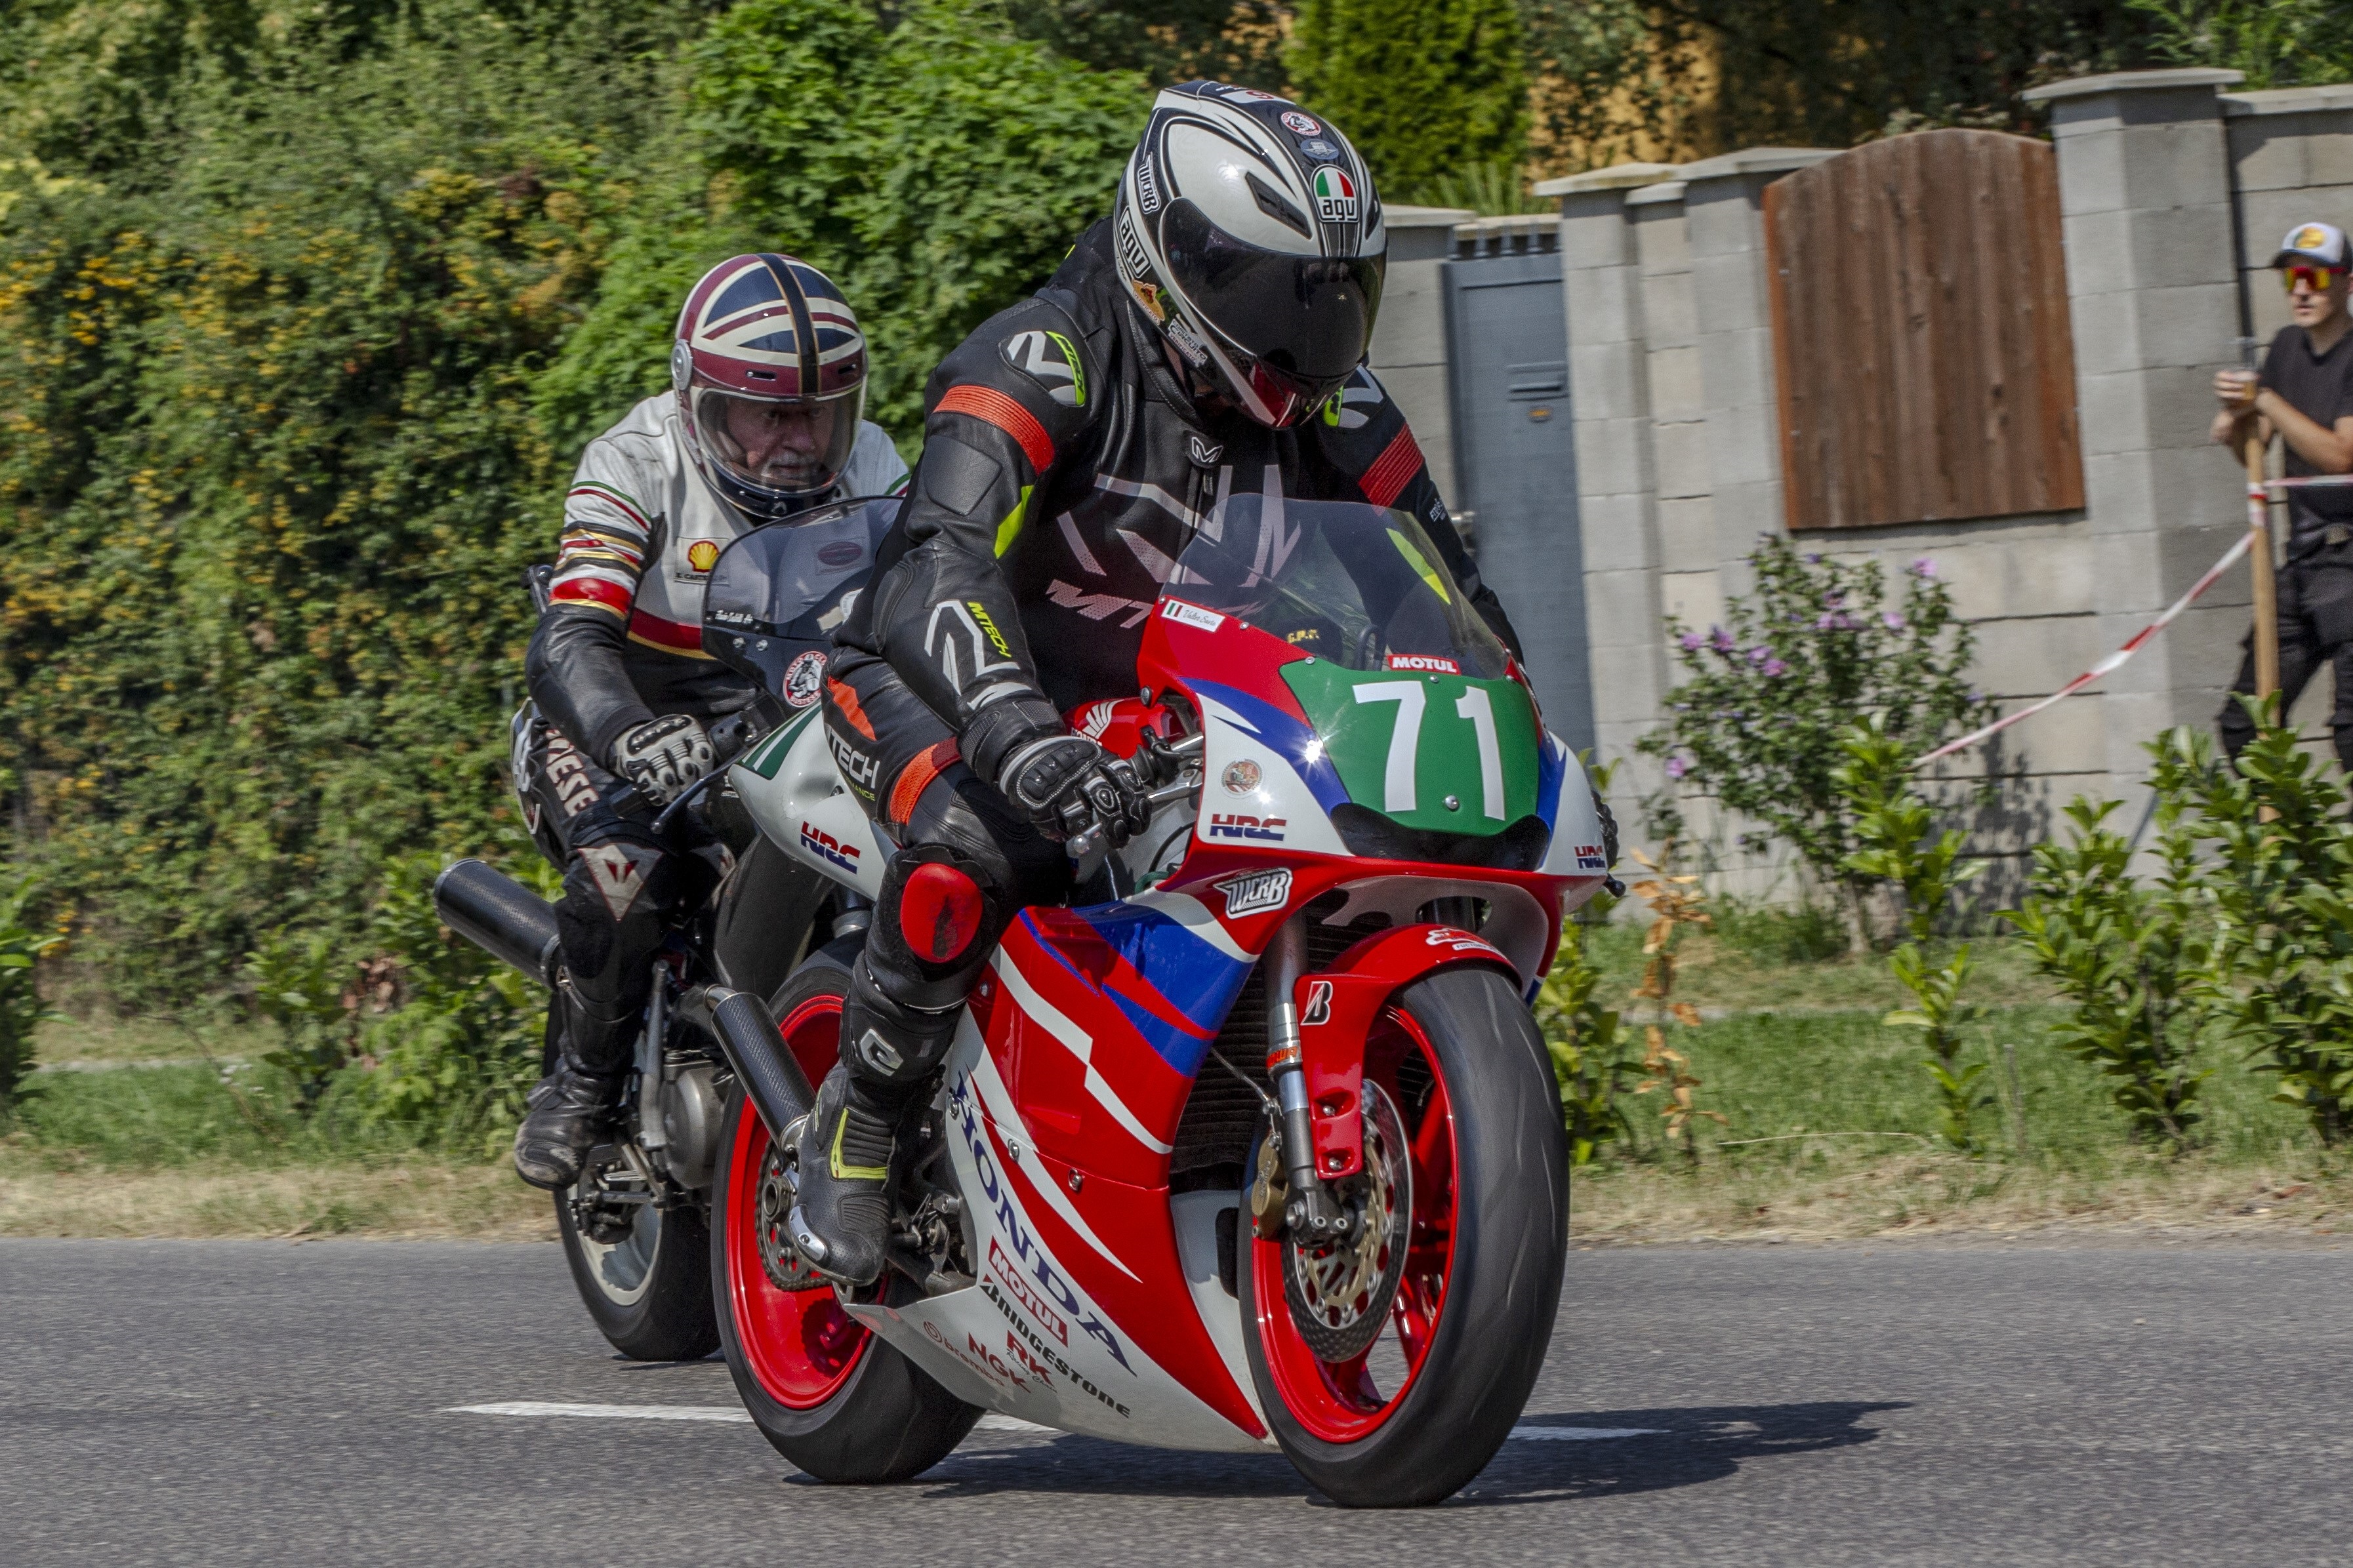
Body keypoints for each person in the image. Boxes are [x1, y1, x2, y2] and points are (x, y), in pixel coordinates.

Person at [791, 83, 1524, 1285]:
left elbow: (1435, 584)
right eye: (1275, 294)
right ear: (1170, 258)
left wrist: (1507, 716)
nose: (1308, 339)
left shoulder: (1336, 403)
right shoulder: (1046, 353)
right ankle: (856, 1130)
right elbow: (936, 558)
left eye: (1336, 296)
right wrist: (1016, 727)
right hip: (938, 673)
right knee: (978, 849)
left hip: (1161, 712)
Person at [510, 254, 909, 1190]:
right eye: (770, 414)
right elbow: (569, 636)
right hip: (622, 710)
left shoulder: (874, 461)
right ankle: (582, 1082)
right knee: (623, 874)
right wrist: (625, 732)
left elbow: (918, 603)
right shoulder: (634, 460)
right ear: (700, 403)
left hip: (784, 707)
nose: (800, 440)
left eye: (819, 412)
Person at [2215, 221, 2353, 767]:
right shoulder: (2285, 347)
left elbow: (2341, 458)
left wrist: (2265, 400)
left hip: (2349, 562)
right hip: (2300, 564)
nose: (2299, 290)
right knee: (2244, 725)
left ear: (2346, 283)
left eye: (2313, 278)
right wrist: (2237, 420)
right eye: (2290, 277)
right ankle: (2276, 823)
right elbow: (2255, 450)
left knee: (2351, 733)